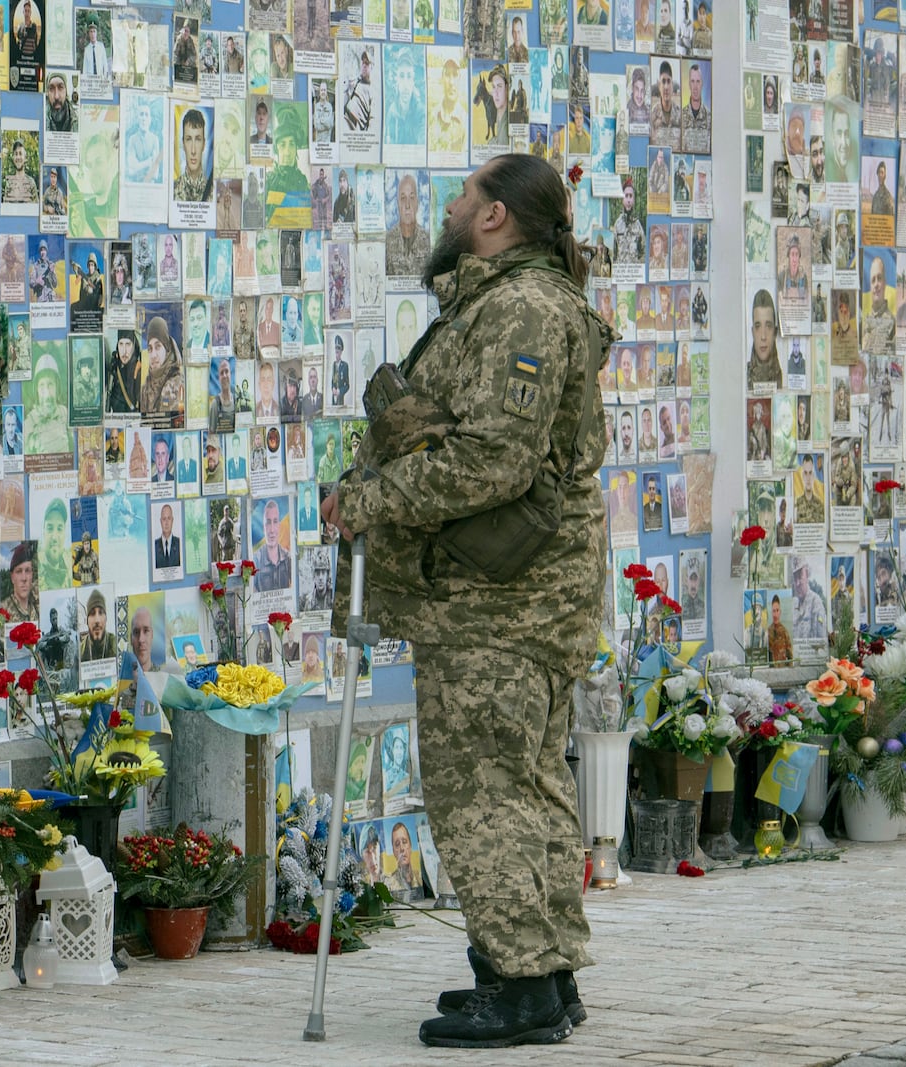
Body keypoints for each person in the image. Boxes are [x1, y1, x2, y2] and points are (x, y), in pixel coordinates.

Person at [321, 154, 607, 1048]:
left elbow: (495, 461)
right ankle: (539, 973)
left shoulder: (522, 307)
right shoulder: (499, 298)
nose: (450, 206)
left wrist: (370, 500)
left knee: (481, 786)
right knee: (526, 782)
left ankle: (522, 984)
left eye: (465, 194)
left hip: (504, 601)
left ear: (495, 218)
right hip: (508, 598)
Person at [153, 504, 182, 569]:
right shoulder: (154, 545)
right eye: (164, 519)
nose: (166, 523)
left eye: (169, 518)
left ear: (172, 520)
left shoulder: (179, 544)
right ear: (160, 521)